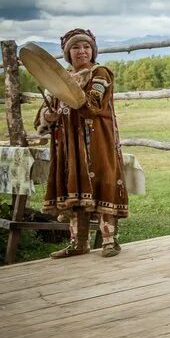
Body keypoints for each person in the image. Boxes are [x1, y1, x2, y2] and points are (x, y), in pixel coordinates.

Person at [36, 29, 128, 258]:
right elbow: (42, 115)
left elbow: (92, 104)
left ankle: (109, 241)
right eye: (76, 47)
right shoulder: (58, 79)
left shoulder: (100, 74)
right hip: (68, 144)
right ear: (68, 53)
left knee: (103, 181)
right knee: (73, 187)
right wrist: (47, 117)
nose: (82, 51)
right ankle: (78, 243)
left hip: (97, 141)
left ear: (93, 50)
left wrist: (65, 92)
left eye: (86, 47)